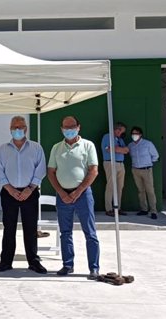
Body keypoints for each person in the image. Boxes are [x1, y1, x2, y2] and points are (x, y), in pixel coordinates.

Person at [47, 116, 101, 280]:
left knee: (90, 232)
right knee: (65, 232)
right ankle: (67, 264)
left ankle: (94, 267)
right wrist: (62, 193)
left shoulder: (87, 145)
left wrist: (78, 191)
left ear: (78, 127)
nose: (68, 129)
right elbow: (51, 172)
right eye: (65, 127)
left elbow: (93, 170)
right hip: (63, 194)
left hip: (83, 195)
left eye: (71, 126)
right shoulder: (56, 148)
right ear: (61, 129)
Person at [0, 116, 47, 274]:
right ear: (10, 128)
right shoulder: (3, 149)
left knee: (30, 228)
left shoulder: (36, 148)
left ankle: (33, 261)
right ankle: (6, 261)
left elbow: (41, 169)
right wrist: (10, 189)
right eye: (14, 127)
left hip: (30, 192)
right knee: (8, 228)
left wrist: (30, 188)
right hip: (9, 193)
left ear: (26, 128)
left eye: (21, 126)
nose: (18, 129)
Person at [128, 126, 160, 219]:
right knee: (140, 191)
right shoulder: (130, 145)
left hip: (146, 170)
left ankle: (153, 211)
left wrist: (148, 164)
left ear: (140, 134)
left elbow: (155, 156)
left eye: (136, 133)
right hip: (135, 170)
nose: (134, 135)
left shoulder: (148, 144)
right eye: (133, 134)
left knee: (150, 190)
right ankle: (144, 209)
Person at [101, 122, 129, 217]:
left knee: (120, 186)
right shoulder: (107, 137)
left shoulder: (120, 139)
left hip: (121, 164)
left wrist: (117, 149)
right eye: (121, 131)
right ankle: (108, 209)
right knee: (110, 186)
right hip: (110, 163)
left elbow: (126, 150)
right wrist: (119, 149)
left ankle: (118, 207)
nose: (122, 133)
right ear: (117, 129)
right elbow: (108, 149)